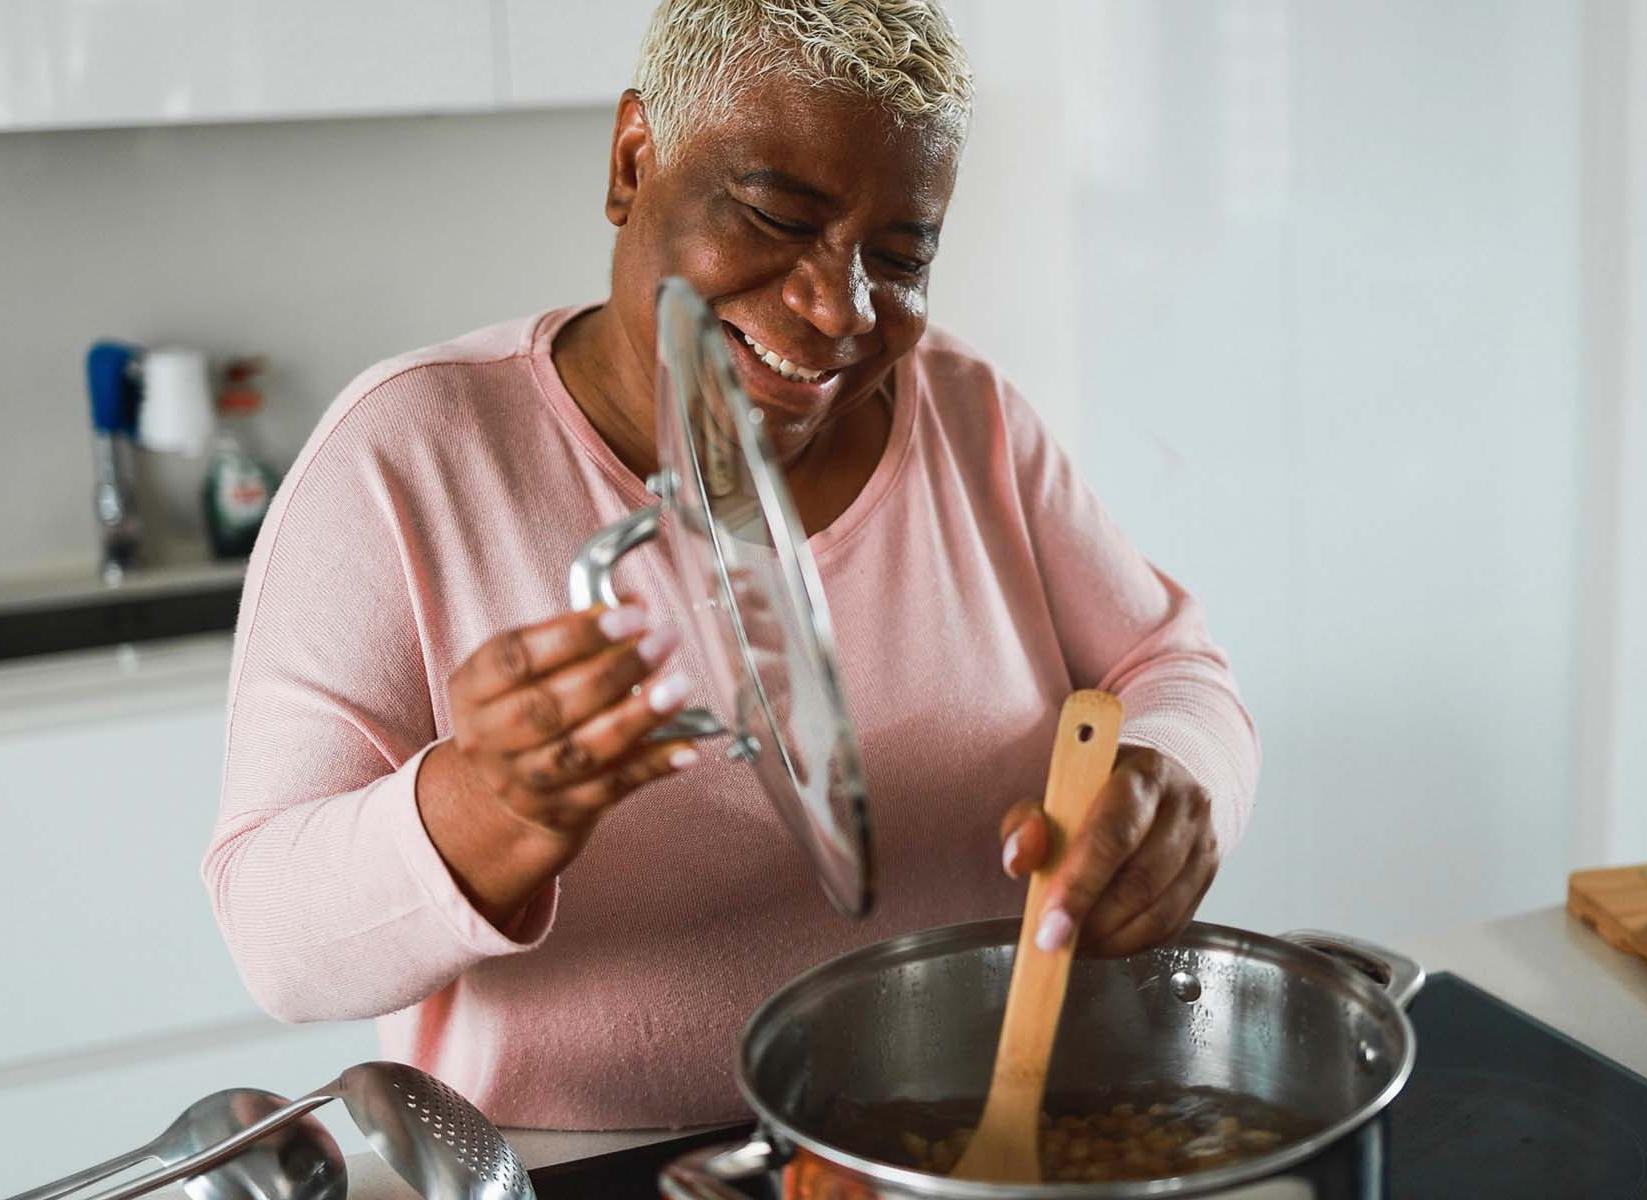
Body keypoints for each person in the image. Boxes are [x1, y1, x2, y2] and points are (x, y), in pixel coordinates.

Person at [204, 0, 1258, 1130]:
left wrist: (1173, 775)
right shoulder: (407, 456)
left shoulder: (964, 414)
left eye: (898, 257)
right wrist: (481, 809)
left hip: (963, 1141)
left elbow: (1171, 664)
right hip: (586, 1168)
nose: (836, 307)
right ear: (630, 163)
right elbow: (274, 947)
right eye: (772, 216)